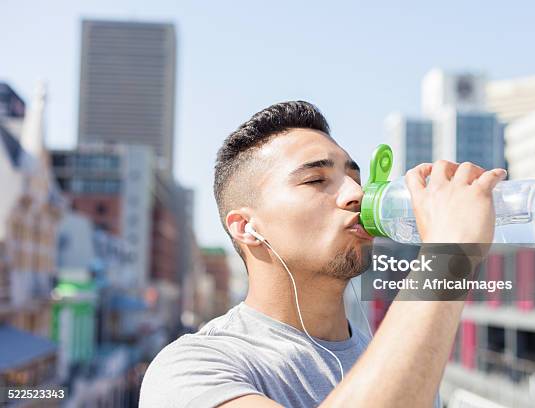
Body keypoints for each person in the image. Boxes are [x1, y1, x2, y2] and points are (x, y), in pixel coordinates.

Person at [139, 101, 506, 408]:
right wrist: (447, 257)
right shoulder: (192, 370)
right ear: (247, 227)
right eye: (316, 180)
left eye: (356, 179)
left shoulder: (396, 359)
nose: (356, 195)